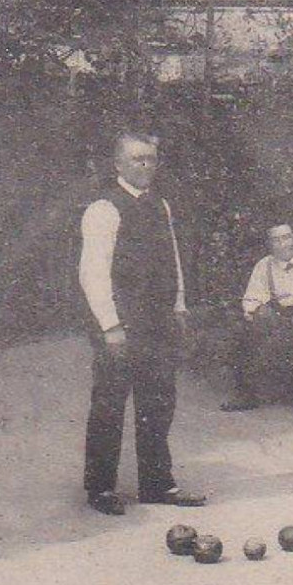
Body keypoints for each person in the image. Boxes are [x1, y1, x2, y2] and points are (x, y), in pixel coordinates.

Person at [79, 130, 203, 515]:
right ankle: (100, 489)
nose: (145, 166)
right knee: (110, 404)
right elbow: (92, 272)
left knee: (158, 402)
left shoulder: (160, 206)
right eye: (137, 159)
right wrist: (110, 325)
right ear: (118, 164)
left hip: (159, 321)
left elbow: (173, 260)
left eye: (150, 159)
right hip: (122, 324)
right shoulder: (104, 209)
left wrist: (179, 304)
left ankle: (157, 483)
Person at [220, 224, 293, 412]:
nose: (282, 243)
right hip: (288, 318)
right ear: (269, 244)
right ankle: (246, 394)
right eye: (276, 240)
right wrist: (253, 312)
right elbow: (253, 297)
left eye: (286, 237)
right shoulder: (265, 265)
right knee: (246, 332)